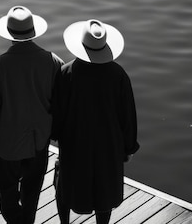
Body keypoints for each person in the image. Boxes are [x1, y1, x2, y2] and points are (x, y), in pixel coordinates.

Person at [0, 6, 64, 224]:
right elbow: (61, 105)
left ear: (9, 33)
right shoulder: (54, 63)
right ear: (33, 31)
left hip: (5, 147)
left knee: (7, 194)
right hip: (38, 142)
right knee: (32, 194)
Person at [51, 19, 140, 224]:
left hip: (74, 142)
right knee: (104, 190)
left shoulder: (66, 72)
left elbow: (57, 113)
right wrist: (128, 148)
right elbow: (127, 116)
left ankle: (64, 223)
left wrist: (55, 134)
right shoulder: (118, 75)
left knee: (64, 185)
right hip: (108, 144)